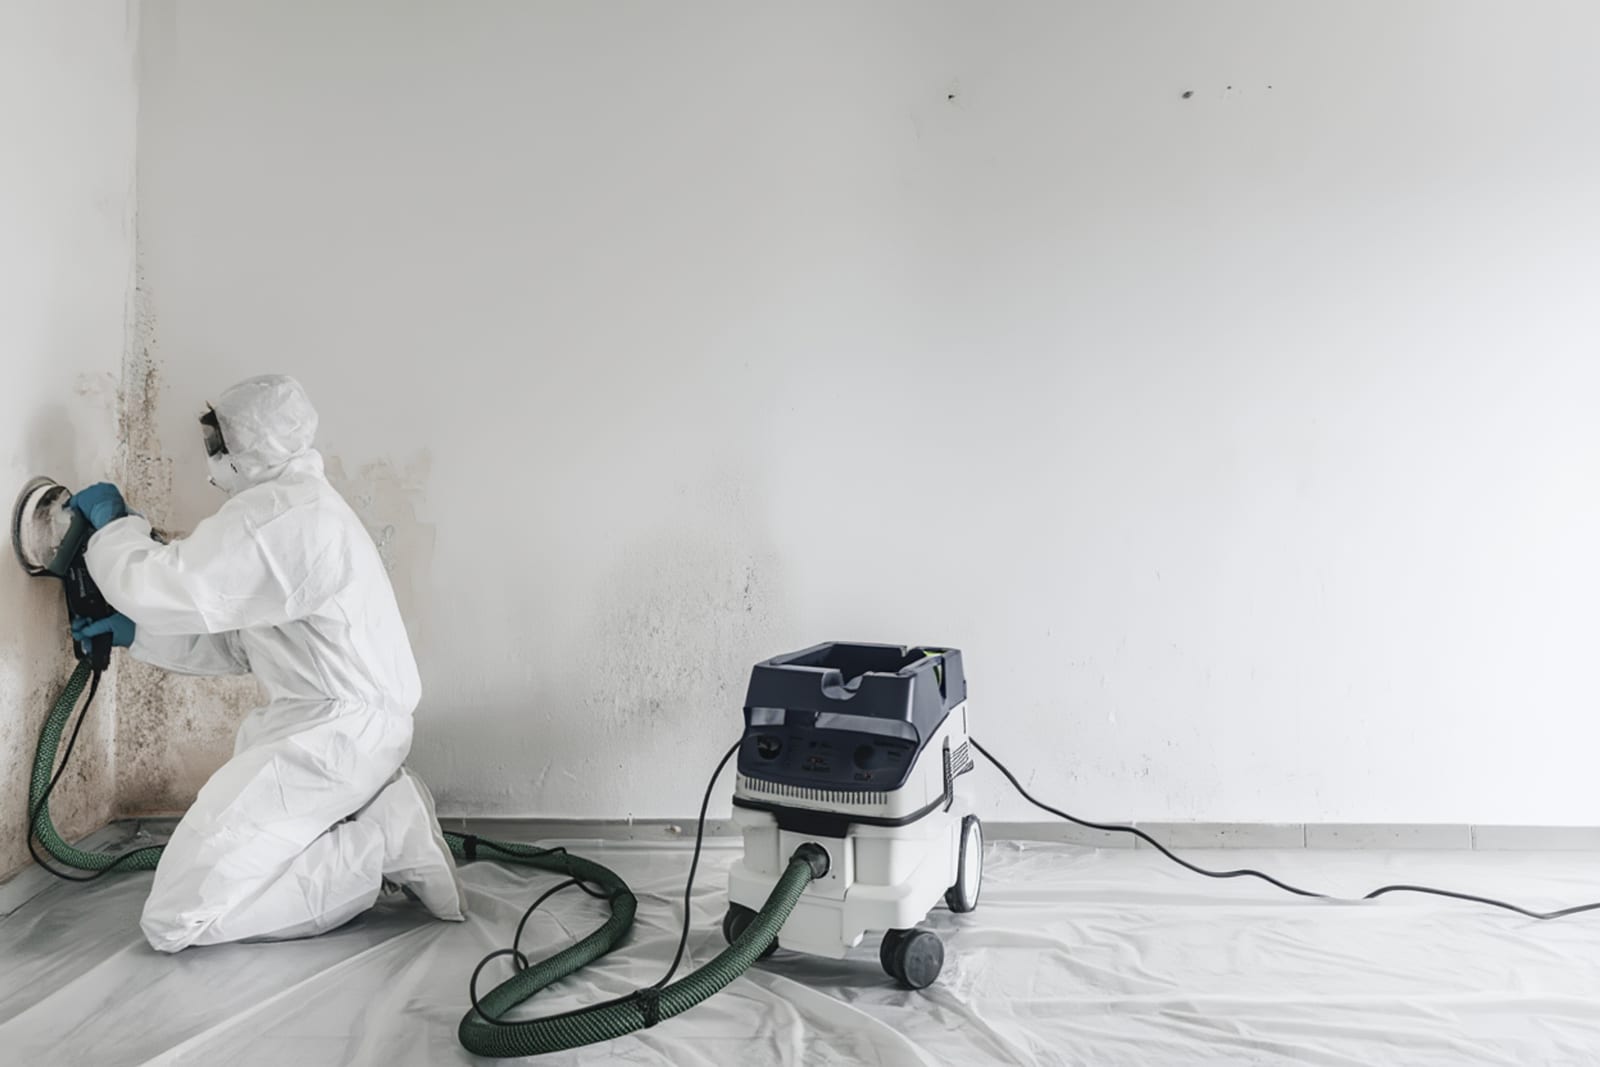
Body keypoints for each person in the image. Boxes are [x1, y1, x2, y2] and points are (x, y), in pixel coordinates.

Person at [70, 373, 464, 953]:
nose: (214, 456)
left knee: (177, 918)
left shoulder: (283, 518)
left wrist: (113, 529)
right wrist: (137, 635)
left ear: (254, 444)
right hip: (336, 734)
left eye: (221, 441)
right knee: (216, 877)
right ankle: (368, 830)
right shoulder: (296, 510)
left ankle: (379, 844)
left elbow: (163, 585)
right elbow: (244, 644)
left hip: (330, 741)